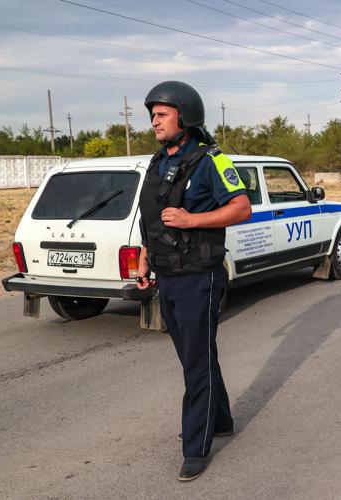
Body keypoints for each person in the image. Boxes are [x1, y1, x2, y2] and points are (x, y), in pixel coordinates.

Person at [135, 81, 251, 481]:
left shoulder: (212, 161)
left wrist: (192, 220)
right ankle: (220, 420)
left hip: (199, 277)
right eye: (152, 114)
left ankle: (195, 447)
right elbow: (151, 217)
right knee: (193, 354)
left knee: (196, 361)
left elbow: (242, 208)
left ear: (185, 116)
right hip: (167, 275)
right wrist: (145, 258)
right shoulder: (157, 162)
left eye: (162, 114)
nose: (154, 120)